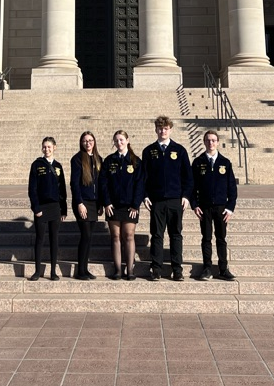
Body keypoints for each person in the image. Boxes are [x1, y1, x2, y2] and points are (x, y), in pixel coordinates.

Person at [142, 115, 192, 281]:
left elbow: (187, 176)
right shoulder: (149, 151)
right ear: (156, 130)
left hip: (175, 200)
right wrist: (145, 195)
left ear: (170, 129)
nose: (163, 131)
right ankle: (156, 268)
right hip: (156, 200)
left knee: (175, 234)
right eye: (160, 128)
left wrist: (186, 195)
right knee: (157, 235)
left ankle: (177, 269)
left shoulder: (179, 150)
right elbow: (144, 177)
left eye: (165, 128)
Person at [192, 130, 237, 281]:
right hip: (204, 207)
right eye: (208, 140)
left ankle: (223, 269)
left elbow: (232, 188)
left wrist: (230, 208)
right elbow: (192, 187)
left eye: (213, 140)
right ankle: (207, 268)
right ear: (204, 142)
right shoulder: (198, 162)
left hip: (221, 208)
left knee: (221, 238)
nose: (210, 143)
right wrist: (194, 205)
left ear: (217, 142)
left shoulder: (225, 163)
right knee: (206, 238)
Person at [100, 130, 145, 280]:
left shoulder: (136, 161)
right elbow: (103, 183)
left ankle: (130, 269)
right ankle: (118, 269)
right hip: (113, 206)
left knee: (129, 236)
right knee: (116, 237)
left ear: (127, 140)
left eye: (121, 140)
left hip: (130, 207)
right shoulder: (109, 160)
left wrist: (135, 204)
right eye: (116, 140)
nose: (119, 143)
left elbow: (140, 184)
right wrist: (106, 202)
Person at [27, 136, 67, 281]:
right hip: (41, 208)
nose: (47, 149)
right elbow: (32, 189)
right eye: (44, 147)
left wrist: (64, 209)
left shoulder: (58, 166)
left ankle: (53, 271)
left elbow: (62, 189)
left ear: (54, 147)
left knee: (54, 240)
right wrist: (36, 207)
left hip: (55, 207)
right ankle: (37, 270)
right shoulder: (36, 165)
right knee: (40, 239)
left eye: (49, 147)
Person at [70, 131, 103, 281]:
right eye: (85, 141)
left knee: (89, 238)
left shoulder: (98, 159)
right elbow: (74, 184)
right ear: (81, 143)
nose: (88, 143)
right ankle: (80, 270)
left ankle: (85, 269)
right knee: (86, 235)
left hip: (94, 203)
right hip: (83, 203)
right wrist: (79, 203)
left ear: (94, 142)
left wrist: (101, 203)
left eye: (90, 140)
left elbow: (101, 184)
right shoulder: (77, 159)